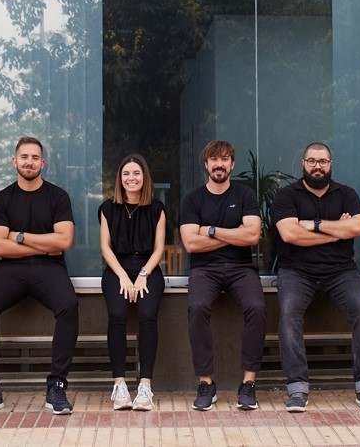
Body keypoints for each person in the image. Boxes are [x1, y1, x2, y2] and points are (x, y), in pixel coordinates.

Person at [0, 137, 78, 416]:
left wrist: (19, 236)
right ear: (14, 161)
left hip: (50, 268)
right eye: (24, 157)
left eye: (35, 157)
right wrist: (45, 244)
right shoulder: (3, 198)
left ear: (43, 163)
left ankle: (57, 386)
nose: (29, 162)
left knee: (68, 305)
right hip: (10, 269)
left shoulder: (58, 196)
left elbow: (64, 242)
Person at [271, 142, 360, 412]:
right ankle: (297, 388)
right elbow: (290, 234)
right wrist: (335, 232)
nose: (317, 166)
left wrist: (314, 225)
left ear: (331, 164)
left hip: (340, 271)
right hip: (296, 271)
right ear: (303, 164)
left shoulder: (346, 194)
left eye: (322, 161)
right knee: (288, 314)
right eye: (312, 161)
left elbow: (356, 227)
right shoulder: (287, 195)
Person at [180, 140, 265, 411]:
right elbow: (191, 243)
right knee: (197, 307)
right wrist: (235, 234)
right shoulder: (193, 199)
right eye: (214, 160)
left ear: (232, 164)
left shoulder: (245, 195)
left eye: (225, 159)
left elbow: (252, 236)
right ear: (206, 165)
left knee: (256, 307)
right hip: (204, 270)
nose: (219, 164)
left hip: (242, 268)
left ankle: (248, 383)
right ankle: (206, 383)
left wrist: (211, 230)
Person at [99, 154, 166, 411]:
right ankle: (120, 384)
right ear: (120, 178)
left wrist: (143, 274)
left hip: (148, 268)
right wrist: (124, 277)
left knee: (147, 316)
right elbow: (106, 248)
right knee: (117, 315)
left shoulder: (157, 209)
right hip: (117, 269)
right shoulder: (107, 208)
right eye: (126, 173)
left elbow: (159, 249)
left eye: (136, 173)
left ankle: (145, 386)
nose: (131, 178)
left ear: (144, 177)